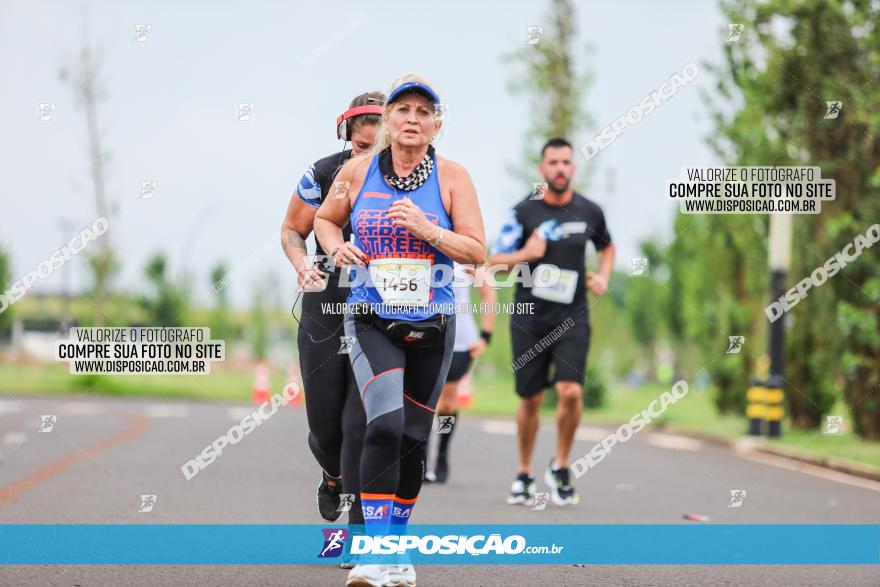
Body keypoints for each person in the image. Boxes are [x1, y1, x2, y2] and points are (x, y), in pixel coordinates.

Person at [314, 74, 486, 587]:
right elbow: (325, 219)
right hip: (370, 315)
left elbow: (478, 253)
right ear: (387, 120)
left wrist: (430, 230)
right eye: (403, 110)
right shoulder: (357, 170)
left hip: (434, 322)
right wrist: (334, 247)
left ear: (437, 124)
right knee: (383, 424)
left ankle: (396, 549)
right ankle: (373, 551)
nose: (412, 119)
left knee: (413, 437)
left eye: (423, 112)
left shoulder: (453, 177)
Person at [489, 137, 615, 507]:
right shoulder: (523, 213)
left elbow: (607, 246)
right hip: (529, 318)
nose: (560, 168)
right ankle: (524, 472)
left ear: (573, 168)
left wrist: (603, 276)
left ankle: (560, 466)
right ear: (541, 169)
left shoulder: (589, 211)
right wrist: (525, 254)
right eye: (553, 163)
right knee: (530, 399)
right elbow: (494, 261)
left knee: (571, 392)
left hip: (572, 315)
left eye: (566, 162)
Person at [280, 91, 385, 538]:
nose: (367, 154)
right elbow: (291, 230)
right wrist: (303, 265)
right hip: (327, 299)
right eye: (360, 147)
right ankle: (333, 474)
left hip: (381, 306)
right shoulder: (324, 172)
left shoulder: (413, 178)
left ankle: (361, 530)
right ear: (347, 136)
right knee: (326, 428)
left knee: (360, 420)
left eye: (376, 148)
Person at [424, 263, 496, 484]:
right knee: (423, 402)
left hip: (460, 341)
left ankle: (442, 455)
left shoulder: (466, 256)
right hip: (423, 333)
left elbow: (489, 296)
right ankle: (421, 461)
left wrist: (485, 335)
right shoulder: (420, 247)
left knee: (446, 404)